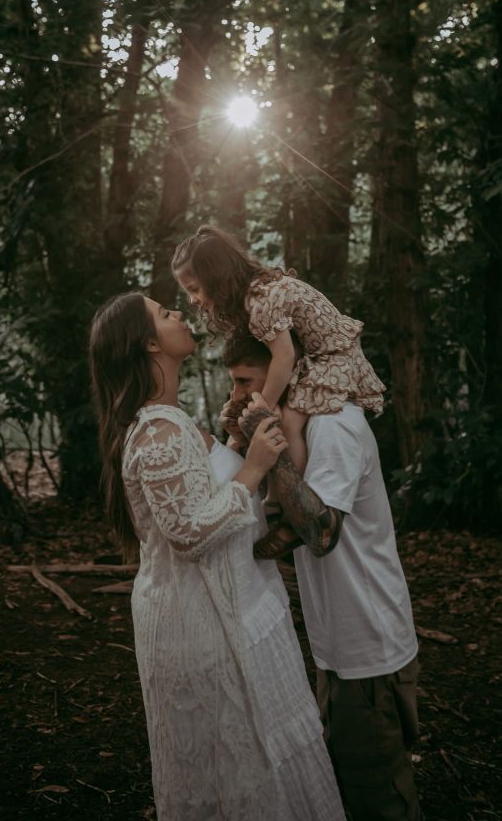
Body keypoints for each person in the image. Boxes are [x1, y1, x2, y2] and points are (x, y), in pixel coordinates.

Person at [88, 292, 346, 821]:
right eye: (164, 313)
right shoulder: (158, 431)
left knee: (257, 756)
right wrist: (253, 467)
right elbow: (188, 533)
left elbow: (201, 494)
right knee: (233, 765)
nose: (179, 312)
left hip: (229, 610)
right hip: (199, 625)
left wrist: (231, 440)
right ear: (150, 343)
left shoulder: (172, 422)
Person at [220, 329, 422, 821]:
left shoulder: (333, 426)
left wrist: (267, 442)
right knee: (350, 780)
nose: (239, 395)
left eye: (246, 381)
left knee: (380, 796)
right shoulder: (304, 428)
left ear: (281, 368)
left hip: (367, 643)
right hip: (338, 642)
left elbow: (321, 533)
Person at [171, 225, 385, 477]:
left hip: (333, 356)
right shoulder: (257, 291)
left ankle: (289, 492)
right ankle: (275, 493)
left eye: (195, 289)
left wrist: (265, 406)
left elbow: (284, 357)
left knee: (290, 425)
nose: (194, 300)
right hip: (316, 356)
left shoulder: (261, 301)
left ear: (216, 276)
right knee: (279, 419)